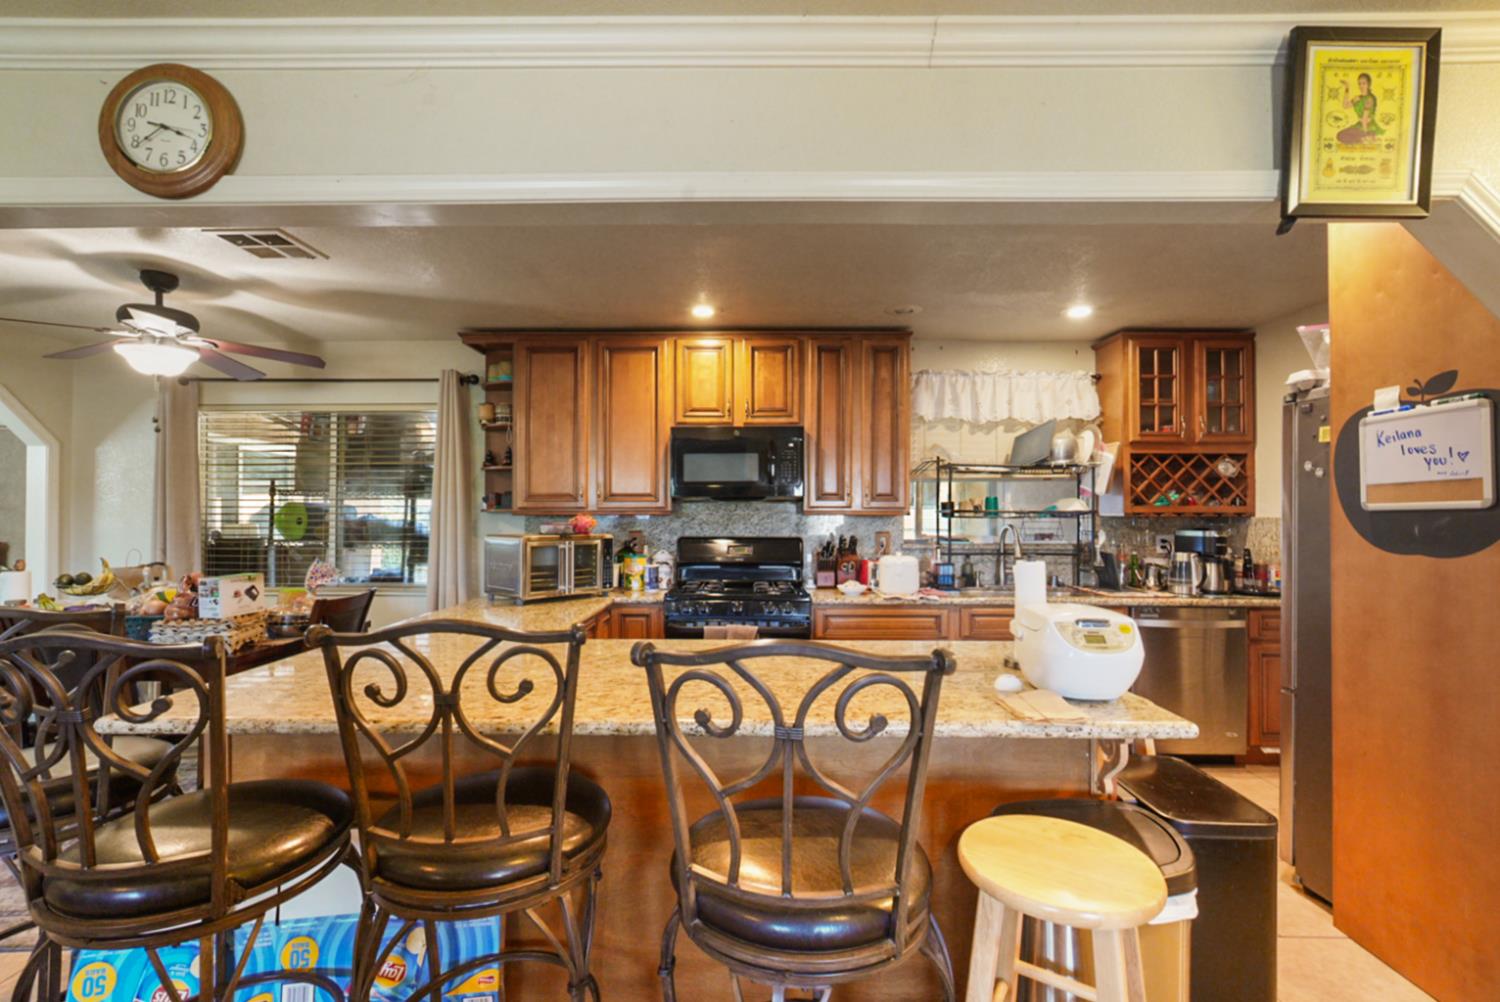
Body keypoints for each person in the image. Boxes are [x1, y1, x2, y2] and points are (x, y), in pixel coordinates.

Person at [1336, 72, 1383, 144]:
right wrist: (1347, 88)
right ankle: (1362, 139)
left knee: (1344, 136)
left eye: (1364, 83)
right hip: (1359, 125)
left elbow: (1365, 118)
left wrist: (1365, 132)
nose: (1361, 86)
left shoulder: (1370, 99)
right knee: (1339, 135)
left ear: (1368, 84)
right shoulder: (1358, 98)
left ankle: (1367, 137)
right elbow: (1345, 106)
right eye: (1359, 83)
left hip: (1368, 126)